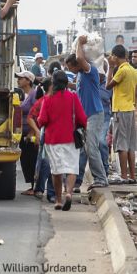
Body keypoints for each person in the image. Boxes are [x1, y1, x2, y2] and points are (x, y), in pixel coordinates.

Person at [38, 70, 88, 211]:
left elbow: (42, 120)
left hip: (52, 139)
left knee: (56, 170)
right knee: (72, 168)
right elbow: (82, 119)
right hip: (71, 138)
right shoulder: (73, 97)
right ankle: (69, 193)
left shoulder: (47, 99)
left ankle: (58, 200)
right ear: (66, 83)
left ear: (53, 83)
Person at [65, 35, 108, 191]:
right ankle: (77, 182)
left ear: (78, 64)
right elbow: (75, 88)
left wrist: (81, 43)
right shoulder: (81, 76)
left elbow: (79, 57)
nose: (69, 70)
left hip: (95, 115)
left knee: (91, 147)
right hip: (85, 117)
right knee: (82, 149)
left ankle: (101, 179)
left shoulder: (90, 70)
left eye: (70, 67)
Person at [106, 45, 137, 183]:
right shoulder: (133, 70)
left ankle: (124, 176)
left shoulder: (122, 70)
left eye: (112, 56)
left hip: (121, 110)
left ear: (116, 56)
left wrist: (111, 68)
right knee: (130, 144)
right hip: (130, 108)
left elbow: (108, 86)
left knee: (121, 144)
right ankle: (132, 175)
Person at [28, 78, 56, 203]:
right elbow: (30, 117)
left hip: (56, 137)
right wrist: (38, 131)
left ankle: (50, 192)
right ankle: (41, 189)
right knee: (46, 163)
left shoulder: (59, 99)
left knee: (52, 165)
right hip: (46, 136)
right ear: (51, 87)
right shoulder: (43, 101)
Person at [15, 70, 38, 196]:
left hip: (30, 134)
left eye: (21, 78)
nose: (18, 80)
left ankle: (34, 187)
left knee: (31, 159)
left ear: (28, 81)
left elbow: (36, 113)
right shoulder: (25, 96)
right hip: (24, 134)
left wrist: (32, 131)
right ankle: (32, 186)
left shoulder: (34, 94)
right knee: (26, 159)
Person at [98, 72, 112, 176]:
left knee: (101, 141)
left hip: (105, 117)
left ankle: (105, 169)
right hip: (91, 116)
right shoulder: (90, 82)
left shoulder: (108, 84)